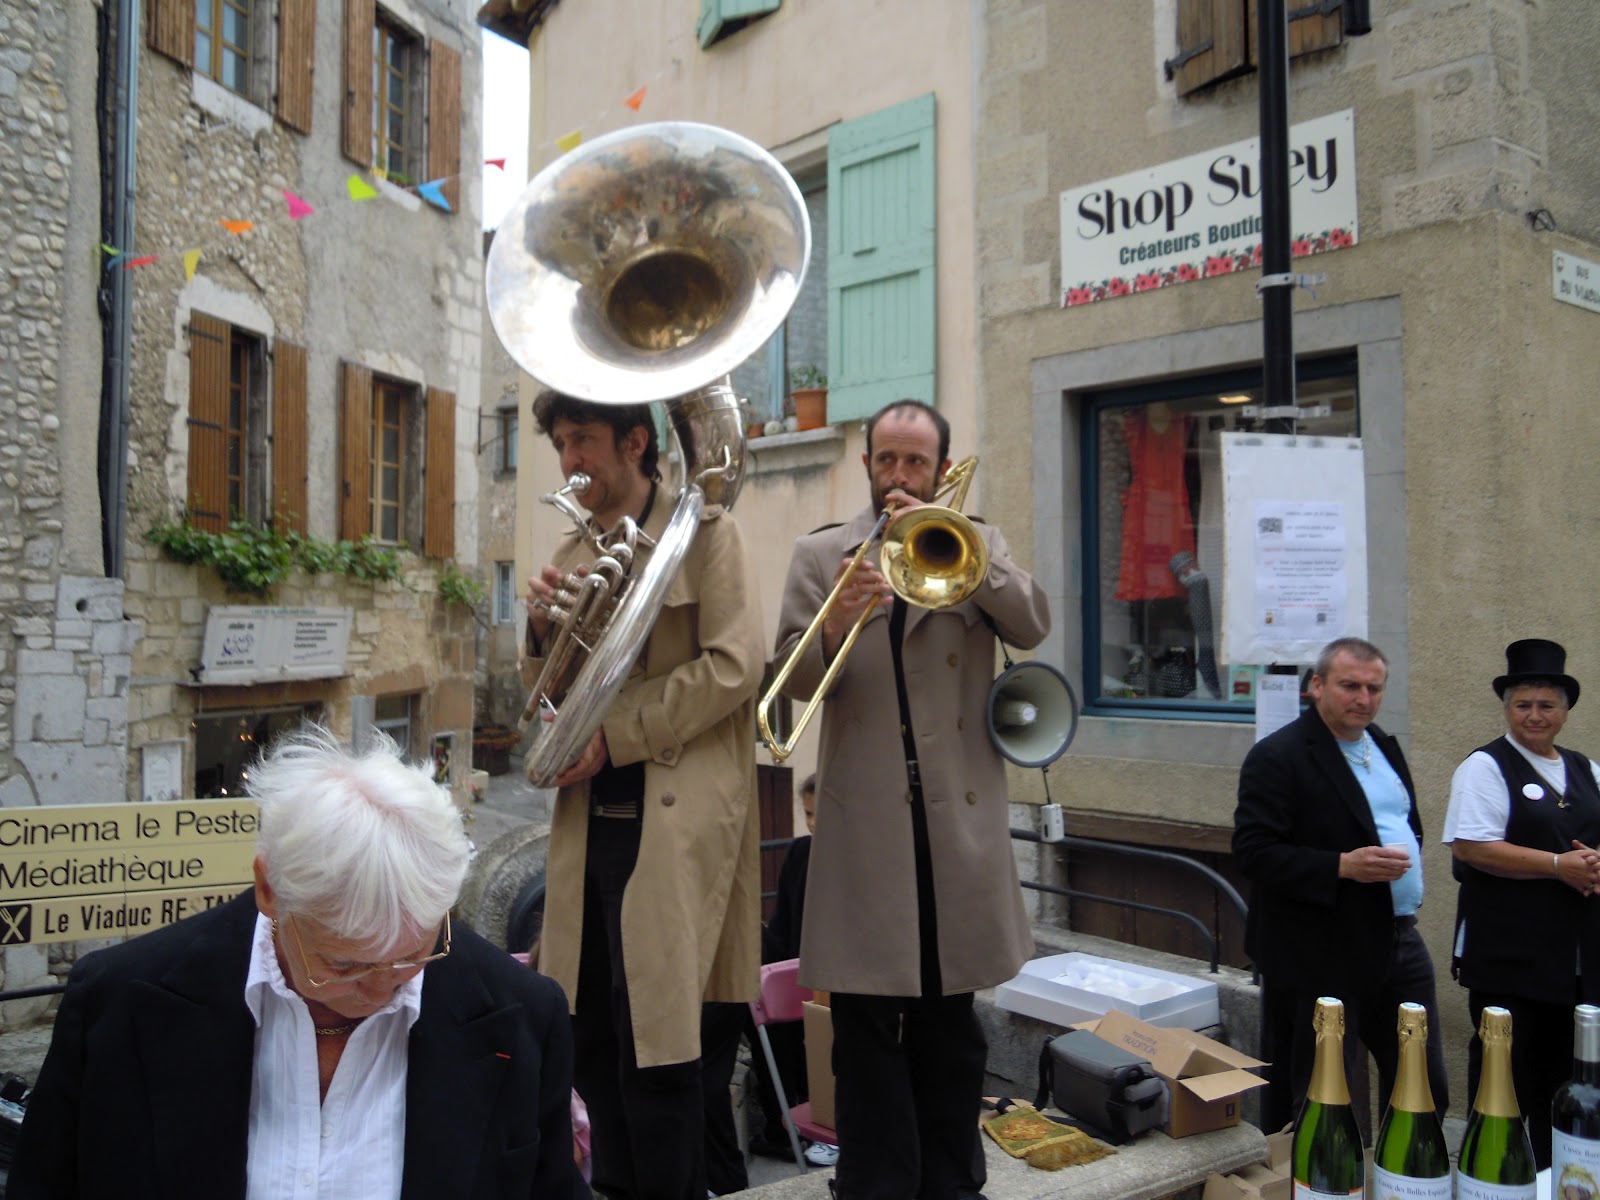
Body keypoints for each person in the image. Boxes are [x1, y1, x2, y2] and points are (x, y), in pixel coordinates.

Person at [9, 725, 586, 1200]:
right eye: (346, 965)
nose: (384, 989)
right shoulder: (119, 1002)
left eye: (414, 956)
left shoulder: (523, 1014)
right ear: (270, 890)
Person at [772, 399, 1051, 1200]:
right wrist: (839, 619)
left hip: (955, 820)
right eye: (887, 459)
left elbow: (1032, 623)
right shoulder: (822, 553)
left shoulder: (976, 540)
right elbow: (787, 681)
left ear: (941, 469)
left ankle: (952, 1183)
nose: (899, 475)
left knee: (950, 1021)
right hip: (867, 824)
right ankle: (875, 1184)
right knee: (864, 1026)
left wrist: (974, 554)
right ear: (867, 464)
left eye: (916, 462)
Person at [522, 390, 764, 1200]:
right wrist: (541, 634)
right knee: (592, 1045)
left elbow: (735, 667)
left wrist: (614, 733)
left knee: (661, 1058)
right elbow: (549, 693)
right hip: (589, 828)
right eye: (561, 443)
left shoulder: (707, 534)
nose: (570, 460)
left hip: (671, 828)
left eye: (584, 439)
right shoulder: (576, 546)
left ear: (634, 442)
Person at [1233, 636, 1449, 1134]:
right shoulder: (1279, 755)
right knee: (1327, 1092)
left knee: (1421, 1078)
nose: (1363, 699)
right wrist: (1341, 866)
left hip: (1399, 936)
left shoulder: (1383, 745)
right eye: (1350, 686)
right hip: (1322, 947)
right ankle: (1325, 1172)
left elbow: (1402, 823)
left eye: (1375, 688)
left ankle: (1408, 1169)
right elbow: (1253, 852)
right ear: (1317, 686)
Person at [1443, 638, 1600, 1169]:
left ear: (1566, 711)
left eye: (1546, 705)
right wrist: (1558, 865)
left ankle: (1560, 1181)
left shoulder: (1586, 769)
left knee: (1568, 1086)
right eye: (1523, 704)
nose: (1535, 715)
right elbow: (1471, 846)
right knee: (1505, 1084)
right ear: (1507, 709)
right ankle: (1493, 1181)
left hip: (1573, 966)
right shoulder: (1485, 767)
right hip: (1510, 962)